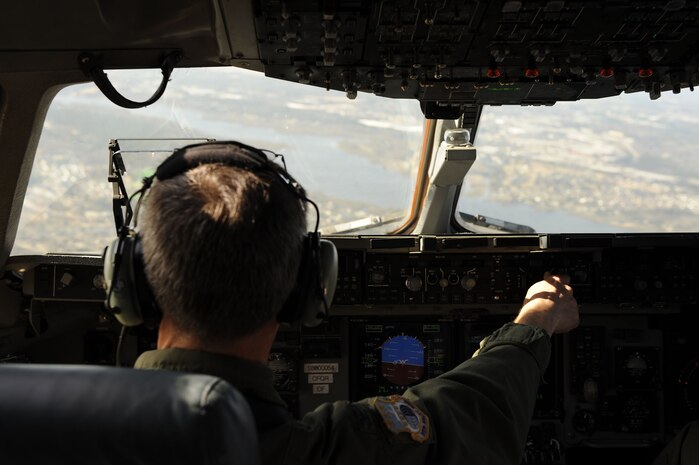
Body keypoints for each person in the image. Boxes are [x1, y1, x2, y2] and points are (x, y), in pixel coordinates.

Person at [133, 141, 579, 465]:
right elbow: (467, 419)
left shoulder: (63, 423)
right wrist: (538, 317)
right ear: (308, 289)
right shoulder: (325, 452)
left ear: (135, 281)